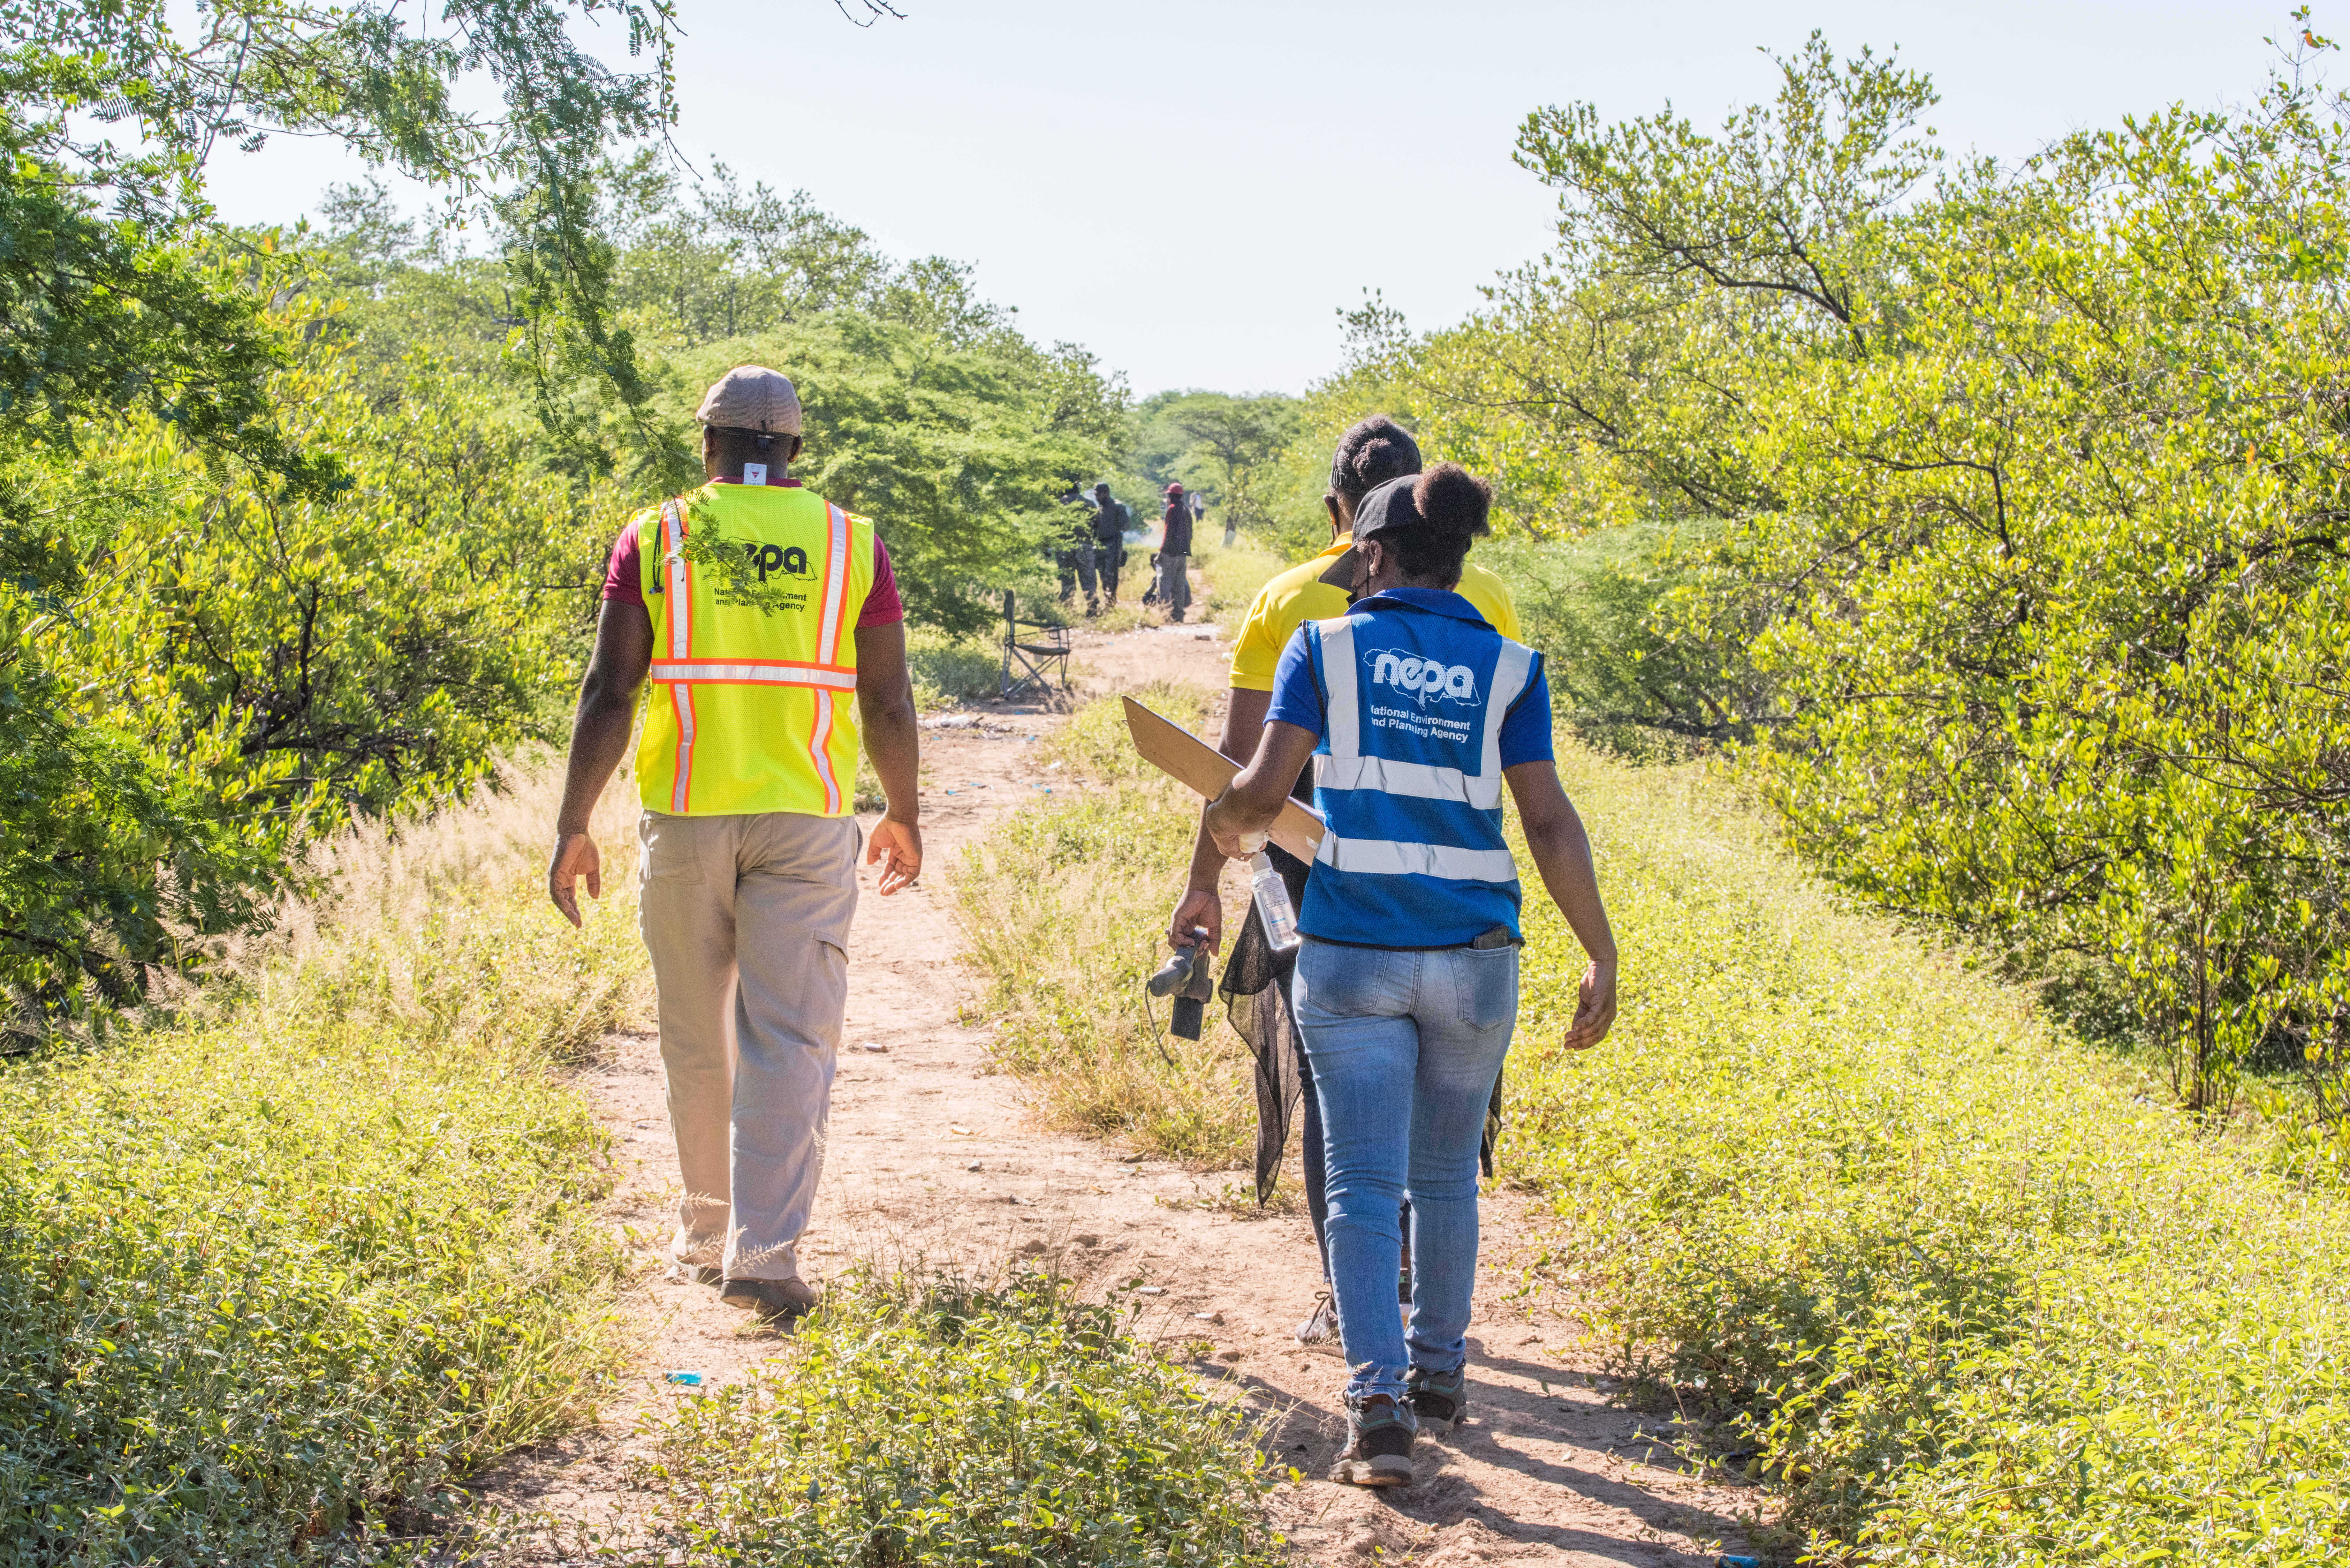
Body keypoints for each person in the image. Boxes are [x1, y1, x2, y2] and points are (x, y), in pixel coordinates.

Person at [1201, 462, 1618, 1487]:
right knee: (1443, 1177)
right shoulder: (1513, 667)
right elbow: (1548, 819)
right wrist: (1600, 948)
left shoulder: (1324, 646)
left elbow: (1259, 787)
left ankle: (1378, 1410)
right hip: (1476, 953)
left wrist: (1224, 828)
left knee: (1359, 1180)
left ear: (1372, 553)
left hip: (1351, 952)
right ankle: (1439, 1375)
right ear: (1458, 562)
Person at [546, 365, 924, 1326]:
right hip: (805, 813)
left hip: (684, 813)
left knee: (695, 1029)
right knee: (789, 1035)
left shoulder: (659, 534)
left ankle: (704, 1231)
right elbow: (884, 695)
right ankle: (764, 1252)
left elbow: (608, 688)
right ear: (793, 446)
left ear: (705, 440)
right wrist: (904, 811)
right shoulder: (849, 543)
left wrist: (572, 824)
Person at [1166, 416, 1525, 1344]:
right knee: (1437, 1103)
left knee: (1335, 1090)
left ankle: (1349, 1292)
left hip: (1316, 878)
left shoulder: (1291, 601)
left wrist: (1206, 878)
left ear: (1344, 510)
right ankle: (1424, 1311)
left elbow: (1238, 765)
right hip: (1457, 880)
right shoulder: (1486, 596)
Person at [1055, 485, 1100, 614]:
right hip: (1084, 545)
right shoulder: (1089, 503)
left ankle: (1068, 610)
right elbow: (1097, 523)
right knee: (1088, 579)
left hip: (1064, 546)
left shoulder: (1059, 504)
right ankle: (1092, 609)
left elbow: (1052, 525)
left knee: (1067, 580)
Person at [1157, 481, 1194, 622]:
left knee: (1165, 582)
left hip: (1171, 553)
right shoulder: (1186, 510)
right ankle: (1179, 616)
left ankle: (1165, 615)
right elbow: (1190, 534)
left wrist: (1162, 551)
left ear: (1171, 496)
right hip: (1183, 554)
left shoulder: (1172, 509)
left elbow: (1168, 533)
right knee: (1179, 585)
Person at [1091, 482, 1130, 604]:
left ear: (1106, 494)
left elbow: (1126, 526)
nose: (1097, 498)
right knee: (1103, 575)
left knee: (1111, 575)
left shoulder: (1118, 507)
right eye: (1096, 495)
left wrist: (1119, 525)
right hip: (1099, 546)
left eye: (1099, 495)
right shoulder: (1099, 508)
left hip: (1113, 544)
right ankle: (1107, 599)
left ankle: (1111, 602)